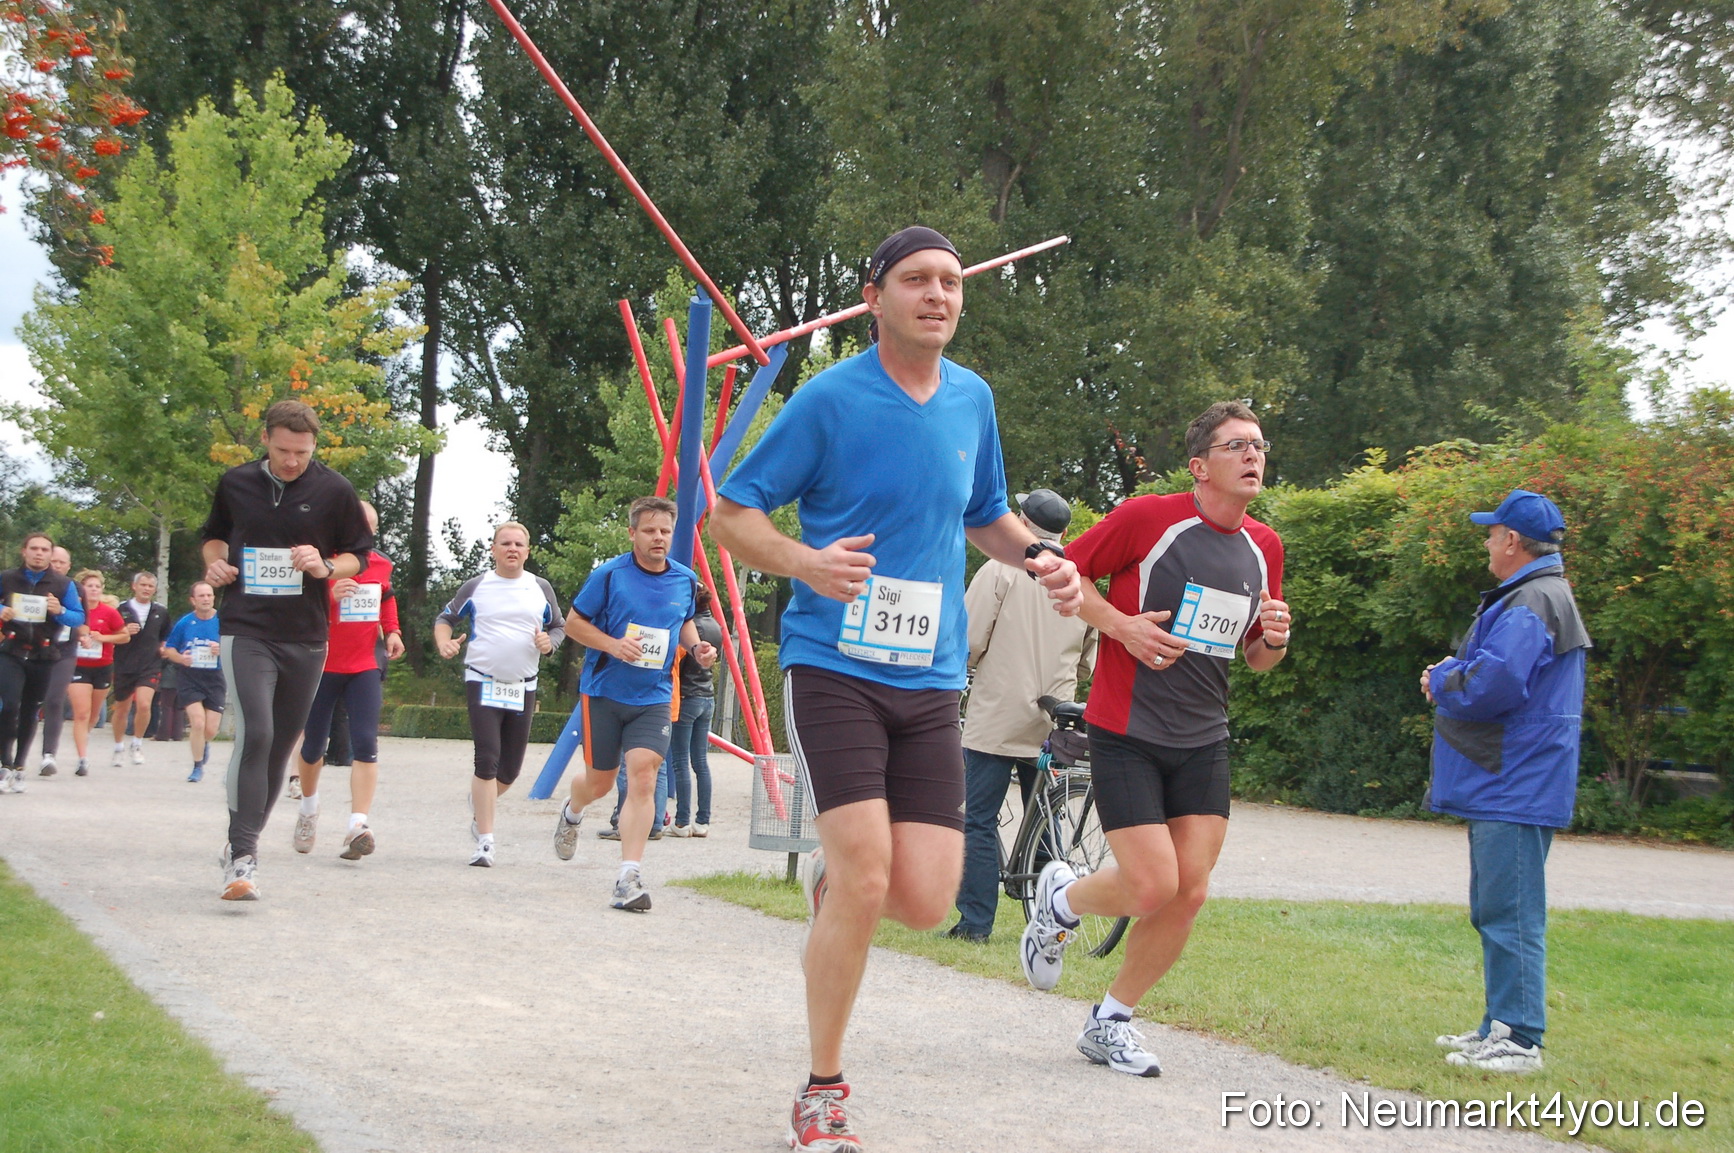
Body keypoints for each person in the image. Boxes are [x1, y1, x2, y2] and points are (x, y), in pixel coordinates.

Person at [710, 226, 1082, 1152]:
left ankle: (843, 877)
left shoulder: (972, 400)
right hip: (833, 665)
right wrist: (805, 561)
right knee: (873, 874)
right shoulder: (831, 400)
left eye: (952, 282)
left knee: (920, 896)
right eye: (916, 280)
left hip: (931, 678)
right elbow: (728, 511)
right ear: (873, 295)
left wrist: (1040, 558)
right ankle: (823, 1089)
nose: (939, 295)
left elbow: (986, 514)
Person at [1018, 400, 1291, 1079]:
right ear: (1200, 466)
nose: (1253, 455)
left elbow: (1256, 656)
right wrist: (1121, 624)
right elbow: (1059, 571)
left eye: (1258, 445)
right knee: (1150, 883)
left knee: (1188, 891)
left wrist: (1275, 641)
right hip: (1128, 729)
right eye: (1236, 446)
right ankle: (1059, 902)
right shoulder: (1149, 518)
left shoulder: (1267, 546)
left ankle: (1110, 1020)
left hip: (1203, 735)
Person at [1422, 488, 1589, 1074]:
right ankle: (1498, 1024)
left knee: (1510, 912)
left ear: (1512, 541)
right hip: (1512, 780)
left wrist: (1443, 678)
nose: (1488, 543)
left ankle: (1520, 1039)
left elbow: (1494, 686)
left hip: (1515, 782)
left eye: (1492, 534)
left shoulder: (1532, 600)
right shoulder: (1537, 594)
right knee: (1495, 907)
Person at [201, 399, 374, 901]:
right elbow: (213, 538)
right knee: (256, 731)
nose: (292, 461)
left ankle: (240, 841)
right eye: (283, 451)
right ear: (265, 440)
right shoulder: (236, 483)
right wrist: (216, 565)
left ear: (314, 445)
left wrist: (323, 565)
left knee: (279, 748)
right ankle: (244, 855)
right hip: (247, 627)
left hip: (306, 634)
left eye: (302, 452)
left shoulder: (335, 489)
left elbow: (358, 557)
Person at [551, 496, 716, 908]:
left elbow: (683, 622)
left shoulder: (684, 579)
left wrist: (697, 650)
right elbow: (573, 624)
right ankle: (573, 811)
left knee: (643, 775)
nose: (658, 538)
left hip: (654, 695)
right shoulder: (609, 575)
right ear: (632, 533)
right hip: (606, 692)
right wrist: (612, 644)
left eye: (664, 531)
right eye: (649, 530)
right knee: (600, 782)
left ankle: (629, 877)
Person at [949, 489, 1097, 942]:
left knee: (978, 818)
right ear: (1065, 533)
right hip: (1057, 720)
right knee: (1049, 820)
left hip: (998, 713)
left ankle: (976, 923)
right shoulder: (1080, 579)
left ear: (1018, 521)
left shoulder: (1001, 570)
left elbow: (970, 639)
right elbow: (1092, 656)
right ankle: (1050, 911)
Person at [434, 521, 563, 867]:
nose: (512, 549)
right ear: (493, 549)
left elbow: (559, 627)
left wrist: (549, 644)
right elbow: (445, 618)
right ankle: (486, 843)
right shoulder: (477, 586)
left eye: (519, 544)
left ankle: (480, 806)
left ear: (527, 550)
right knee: (487, 758)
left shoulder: (540, 588)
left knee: (508, 772)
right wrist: (444, 642)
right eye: (505, 543)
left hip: (523, 685)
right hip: (482, 680)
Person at [293, 501, 405, 861]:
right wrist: (330, 596)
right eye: (358, 526)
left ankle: (358, 825)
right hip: (321, 664)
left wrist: (393, 631)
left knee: (365, 742)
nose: (364, 533)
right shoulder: (319, 561)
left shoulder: (381, 563)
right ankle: (309, 809)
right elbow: (292, 607)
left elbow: (386, 597)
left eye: (370, 527)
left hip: (363, 665)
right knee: (313, 747)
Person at [0, 532, 85, 792]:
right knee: (10, 705)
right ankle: (4, 764)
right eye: (34, 548)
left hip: (44, 654)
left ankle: (20, 766)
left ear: (51, 554)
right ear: (23, 551)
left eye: (44, 549)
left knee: (30, 711)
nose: (39, 553)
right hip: (11, 650)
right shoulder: (6, 578)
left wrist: (59, 611)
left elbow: (78, 617)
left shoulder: (63, 584)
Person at [667, 584, 725, 837]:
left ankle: (681, 821)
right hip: (707, 696)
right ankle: (703, 821)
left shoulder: (689, 628)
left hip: (687, 696)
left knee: (680, 762)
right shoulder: (716, 627)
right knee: (701, 762)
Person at [160, 581, 226, 783]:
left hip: (215, 677)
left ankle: (204, 744)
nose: (206, 599)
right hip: (190, 676)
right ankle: (197, 766)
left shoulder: (223, 621)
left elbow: (238, 647)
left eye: (209, 595)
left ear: (213, 598)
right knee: (197, 722)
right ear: (193, 600)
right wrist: (181, 658)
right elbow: (169, 649)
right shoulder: (185, 623)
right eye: (201, 596)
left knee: (210, 730)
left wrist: (221, 649)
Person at [68, 570, 128, 776]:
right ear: (81, 589)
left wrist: (104, 638)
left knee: (93, 715)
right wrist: (77, 637)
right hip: (78, 665)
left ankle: (85, 735)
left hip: (102, 666)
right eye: (89, 586)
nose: (93, 589)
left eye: (97, 586)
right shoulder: (75, 612)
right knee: (82, 713)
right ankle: (82, 759)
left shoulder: (109, 612)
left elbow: (125, 636)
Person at [109, 571, 168, 767]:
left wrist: (164, 647)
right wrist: (124, 632)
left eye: (150, 586)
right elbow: (111, 634)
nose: (146, 589)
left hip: (150, 665)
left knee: (144, 705)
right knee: (122, 709)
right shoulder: (121, 609)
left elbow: (165, 636)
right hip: (124, 664)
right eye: (143, 585)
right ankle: (118, 747)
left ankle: (137, 743)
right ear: (134, 586)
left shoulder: (160, 611)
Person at [35, 545, 80, 776]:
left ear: (69, 566)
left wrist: (61, 611)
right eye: (53, 561)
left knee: (54, 700)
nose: (57, 565)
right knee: (27, 702)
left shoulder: (74, 588)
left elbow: (81, 620)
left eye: (62, 562)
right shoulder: (35, 585)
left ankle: (48, 755)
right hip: (35, 649)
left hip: (64, 651)